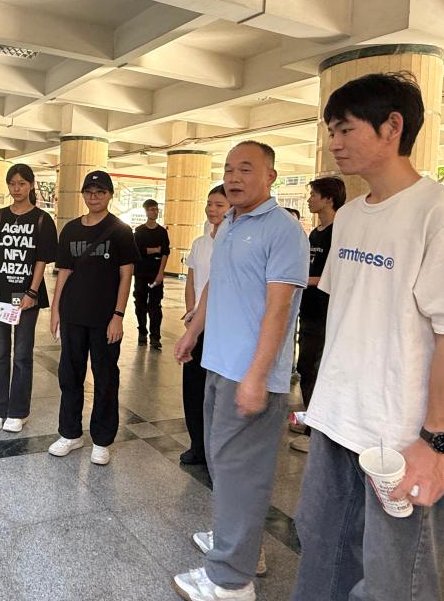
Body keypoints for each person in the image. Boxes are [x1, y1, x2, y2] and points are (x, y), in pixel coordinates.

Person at [289, 72, 444, 601]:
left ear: (392, 127)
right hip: (338, 420)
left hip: (401, 439)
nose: (333, 143)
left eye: (345, 129)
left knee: (395, 580)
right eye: (330, 131)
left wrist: (434, 443)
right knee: (322, 554)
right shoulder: (350, 217)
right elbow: (351, 316)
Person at [171, 141, 308, 600]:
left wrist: (257, 375)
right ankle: (238, 542)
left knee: (242, 471)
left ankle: (232, 580)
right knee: (223, 464)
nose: (233, 177)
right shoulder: (229, 223)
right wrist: (194, 331)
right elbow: (216, 283)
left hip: (250, 374)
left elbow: (278, 308)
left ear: (271, 176)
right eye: (229, 169)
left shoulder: (283, 230)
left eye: (246, 169)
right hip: (219, 363)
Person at [48, 170, 139, 466]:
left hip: (104, 318)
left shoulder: (121, 231)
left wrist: (118, 315)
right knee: (69, 375)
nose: (94, 196)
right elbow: (64, 272)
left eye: (100, 192)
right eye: (89, 191)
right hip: (73, 314)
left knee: (105, 377)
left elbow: (126, 275)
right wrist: (55, 309)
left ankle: (101, 440)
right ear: (83, 195)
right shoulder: (71, 229)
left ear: (110, 195)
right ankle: (70, 433)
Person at [0, 164, 58, 432]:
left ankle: (18, 411)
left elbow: (41, 260)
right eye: (12, 183)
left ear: (31, 185)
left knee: (22, 354)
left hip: (25, 296)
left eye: (22, 183)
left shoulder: (42, 220)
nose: (17, 188)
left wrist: (32, 292)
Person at [289, 176, 345, 454]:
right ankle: (311, 420)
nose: (309, 199)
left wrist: (300, 279)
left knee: (314, 368)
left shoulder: (339, 232)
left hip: (326, 311)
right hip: (308, 308)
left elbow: (336, 276)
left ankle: (316, 434)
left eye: (314, 194)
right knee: (306, 367)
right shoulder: (315, 233)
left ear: (329, 198)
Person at [179, 185, 229, 466]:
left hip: (222, 326)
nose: (212, 209)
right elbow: (191, 280)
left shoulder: (232, 242)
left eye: (219, 205)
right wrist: (191, 312)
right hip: (197, 325)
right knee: (193, 387)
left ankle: (215, 453)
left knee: (217, 392)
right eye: (209, 204)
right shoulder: (200, 243)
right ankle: (197, 445)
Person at [133, 199, 170, 349]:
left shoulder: (162, 232)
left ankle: (155, 337)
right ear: (146, 211)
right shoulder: (139, 231)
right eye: (151, 209)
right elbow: (137, 251)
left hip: (156, 273)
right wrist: (155, 250)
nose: (154, 212)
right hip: (141, 273)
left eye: (156, 209)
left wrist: (161, 273)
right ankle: (142, 332)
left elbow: (165, 252)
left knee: (155, 306)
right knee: (140, 304)